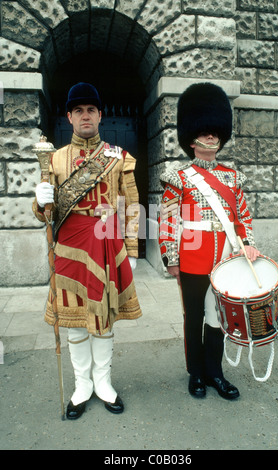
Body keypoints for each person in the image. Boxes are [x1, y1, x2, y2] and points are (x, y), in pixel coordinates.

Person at [33, 82, 142, 419]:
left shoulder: (117, 157)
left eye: (90, 110)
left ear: (99, 115)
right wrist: (40, 202)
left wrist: (133, 248)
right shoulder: (55, 159)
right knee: (77, 322)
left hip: (107, 242)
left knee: (105, 317)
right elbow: (45, 215)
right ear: (68, 117)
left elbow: (131, 204)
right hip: (68, 245)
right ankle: (82, 385)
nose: (85, 115)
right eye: (78, 110)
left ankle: (104, 382)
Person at [158, 83, 260, 400]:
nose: (212, 136)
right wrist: (171, 258)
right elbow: (168, 220)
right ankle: (196, 374)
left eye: (216, 132)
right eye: (205, 132)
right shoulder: (180, 177)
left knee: (218, 319)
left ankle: (215, 373)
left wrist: (248, 244)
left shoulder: (232, 177)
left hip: (225, 260)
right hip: (192, 259)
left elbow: (242, 216)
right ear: (192, 138)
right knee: (195, 319)